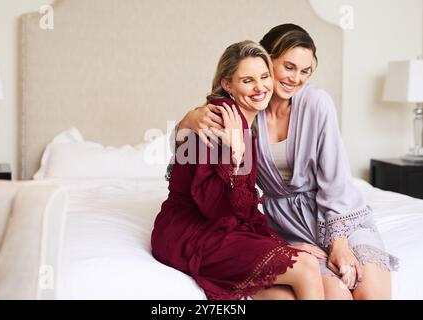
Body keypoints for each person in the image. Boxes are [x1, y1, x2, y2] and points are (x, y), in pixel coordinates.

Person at [173, 24, 399, 300]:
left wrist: (338, 242)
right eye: (289, 67)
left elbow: (336, 178)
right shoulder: (247, 111)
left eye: (305, 71)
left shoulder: (316, 103)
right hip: (286, 226)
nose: (296, 79)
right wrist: (187, 121)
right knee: (337, 296)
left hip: (340, 219)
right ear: (267, 60)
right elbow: (193, 160)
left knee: (372, 295)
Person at [151, 40, 325, 300]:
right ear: (227, 84)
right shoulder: (217, 123)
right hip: (189, 233)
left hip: (222, 227)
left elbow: (241, 209)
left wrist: (279, 244)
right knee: (306, 267)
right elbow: (215, 206)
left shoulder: (246, 124)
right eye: (247, 80)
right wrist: (235, 153)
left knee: (284, 297)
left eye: (264, 77)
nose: (260, 87)